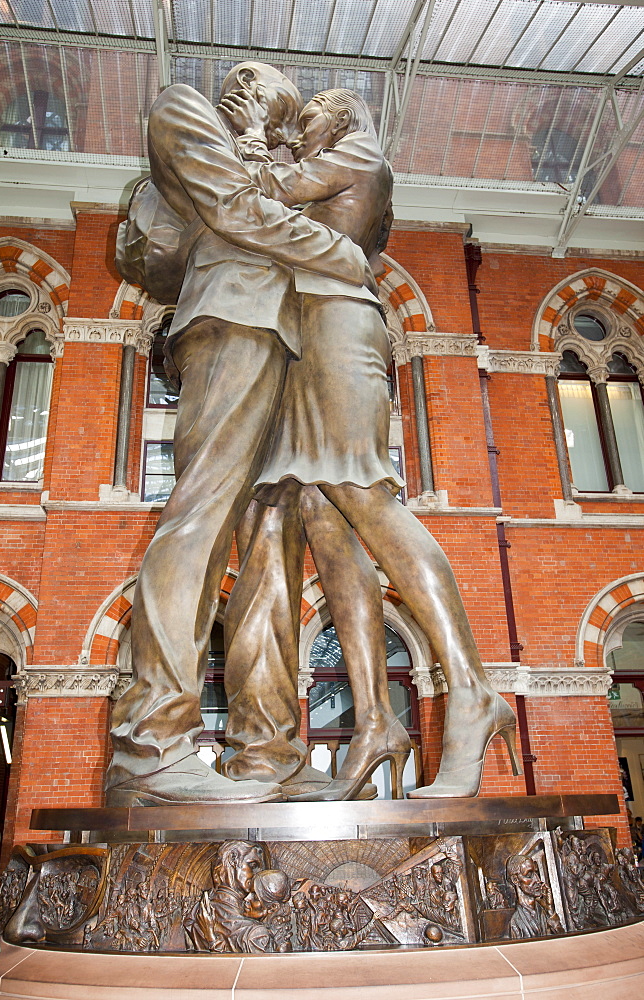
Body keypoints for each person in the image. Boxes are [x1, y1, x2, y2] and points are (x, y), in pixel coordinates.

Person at [220, 87, 519, 799]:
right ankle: (377, 721)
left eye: (311, 114)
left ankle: (473, 691)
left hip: (338, 332)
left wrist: (258, 130)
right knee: (328, 523)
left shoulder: (356, 154)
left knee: (362, 495)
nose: (302, 126)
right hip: (308, 338)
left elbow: (259, 190)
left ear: (345, 114)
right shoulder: (335, 163)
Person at [106, 63, 374, 806]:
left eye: (273, 104)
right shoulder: (183, 111)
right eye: (254, 90)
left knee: (271, 553)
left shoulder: (278, 163)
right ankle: (150, 744)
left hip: (290, 343)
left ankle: (268, 753)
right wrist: (343, 257)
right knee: (200, 519)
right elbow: (234, 210)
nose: (250, 99)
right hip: (229, 323)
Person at [506, 854, 563, 939]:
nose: (537, 880)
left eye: (536, 873)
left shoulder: (543, 912)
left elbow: (563, 940)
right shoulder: (515, 922)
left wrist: (550, 911)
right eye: (529, 875)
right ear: (515, 880)